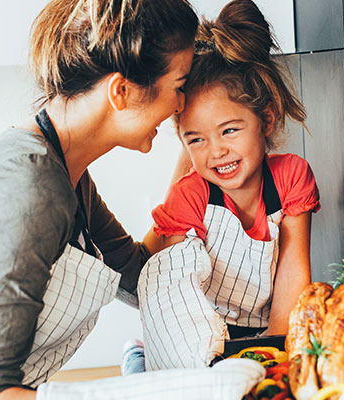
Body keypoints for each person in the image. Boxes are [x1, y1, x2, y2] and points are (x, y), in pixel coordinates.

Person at [0, 1, 266, 399]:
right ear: (121, 91)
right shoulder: (29, 185)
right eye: (178, 87)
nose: (180, 107)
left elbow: (144, 276)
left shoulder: (67, 176)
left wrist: (205, 172)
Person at [131, 0, 319, 371]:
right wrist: (211, 366)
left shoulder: (291, 178)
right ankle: (136, 356)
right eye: (196, 139)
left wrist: (276, 350)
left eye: (229, 130)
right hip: (196, 341)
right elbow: (176, 294)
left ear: (266, 120)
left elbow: (293, 272)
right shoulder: (191, 195)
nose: (216, 152)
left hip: (260, 334)